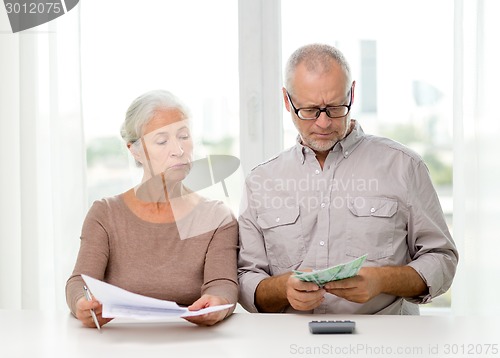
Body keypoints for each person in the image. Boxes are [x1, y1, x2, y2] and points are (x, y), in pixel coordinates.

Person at [237, 43, 458, 315]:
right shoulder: (261, 181)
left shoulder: (404, 166)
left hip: (384, 342)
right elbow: (245, 278)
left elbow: (442, 259)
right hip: (289, 345)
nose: (323, 123)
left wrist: (383, 280)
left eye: (335, 107)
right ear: (286, 101)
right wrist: (284, 289)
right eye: (308, 110)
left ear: (352, 93)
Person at [66, 90, 238, 327]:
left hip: (193, 341)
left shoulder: (217, 217)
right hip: (117, 342)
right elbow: (80, 282)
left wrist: (217, 302)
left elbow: (223, 284)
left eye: (184, 136)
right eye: (162, 141)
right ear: (135, 150)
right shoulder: (105, 214)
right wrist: (82, 304)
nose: (178, 150)